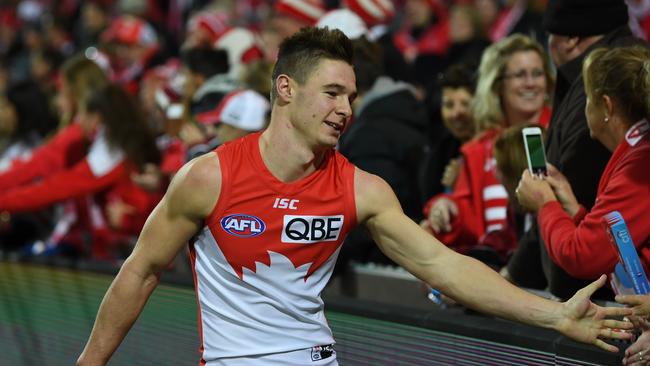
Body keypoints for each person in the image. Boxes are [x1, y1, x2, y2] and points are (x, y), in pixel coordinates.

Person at [76, 27, 632, 366]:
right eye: (333, 92)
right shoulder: (209, 178)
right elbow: (140, 271)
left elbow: (443, 265)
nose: (346, 108)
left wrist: (556, 316)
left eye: (353, 95)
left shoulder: (360, 188)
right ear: (286, 89)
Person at [505, 0, 643, 300]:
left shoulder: (639, 164)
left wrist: (545, 203)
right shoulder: (631, 152)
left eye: (589, 100)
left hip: (599, 305)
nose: (583, 107)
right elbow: (609, 240)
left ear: (606, 106)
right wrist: (573, 209)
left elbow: (583, 256)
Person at [422, 33, 552, 259]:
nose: (531, 83)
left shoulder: (558, 135)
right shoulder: (479, 149)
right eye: (520, 75)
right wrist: (446, 208)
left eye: (537, 73)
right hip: (496, 274)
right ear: (498, 84)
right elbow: (468, 221)